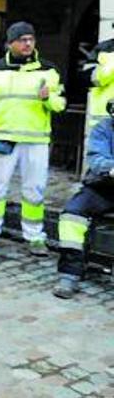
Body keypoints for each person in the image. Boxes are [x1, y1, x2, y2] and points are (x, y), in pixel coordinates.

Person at [0, 22, 65, 255]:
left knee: (35, 191)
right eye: (22, 39)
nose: (27, 43)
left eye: (31, 39)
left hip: (36, 141)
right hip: (2, 140)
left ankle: (34, 236)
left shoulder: (49, 70)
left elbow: (60, 104)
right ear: (10, 43)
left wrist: (47, 98)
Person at [53, 100, 114, 298]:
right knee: (72, 215)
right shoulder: (103, 128)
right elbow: (97, 160)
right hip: (102, 187)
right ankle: (69, 274)